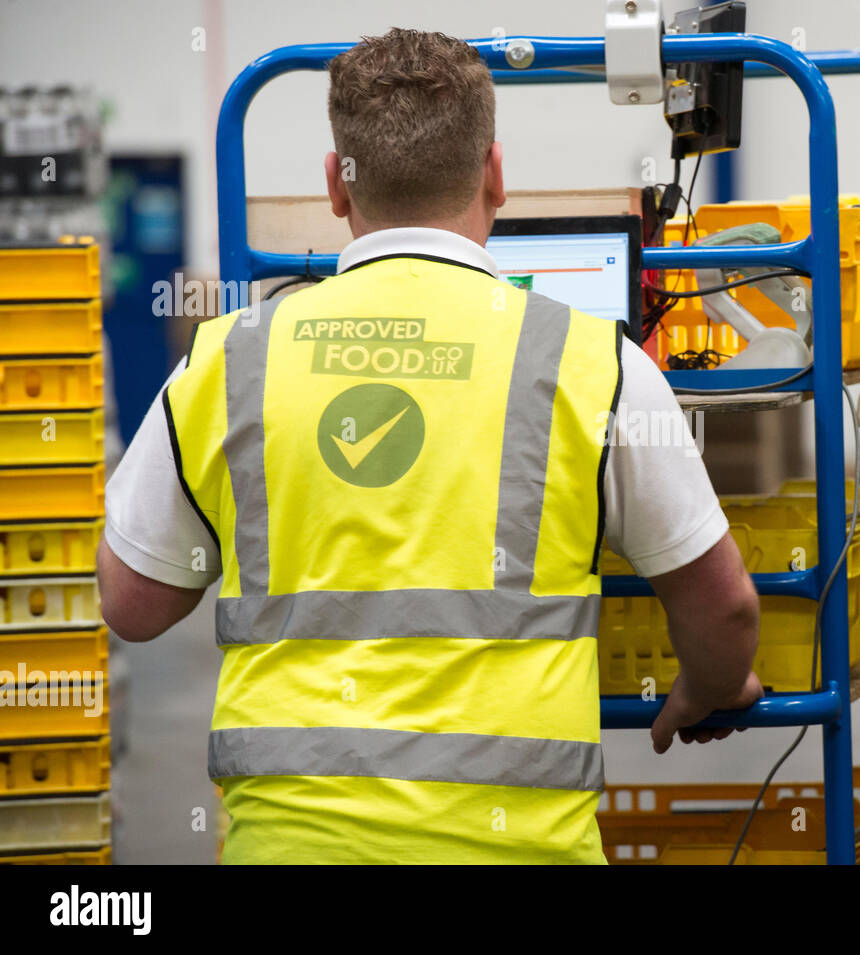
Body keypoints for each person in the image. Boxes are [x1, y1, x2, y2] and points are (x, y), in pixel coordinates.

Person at [97, 27, 762, 864]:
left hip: (291, 846)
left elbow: (132, 604)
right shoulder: (597, 365)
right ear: (494, 173)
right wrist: (709, 687)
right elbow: (725, 606)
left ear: (337, 185)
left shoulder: (229, 359)